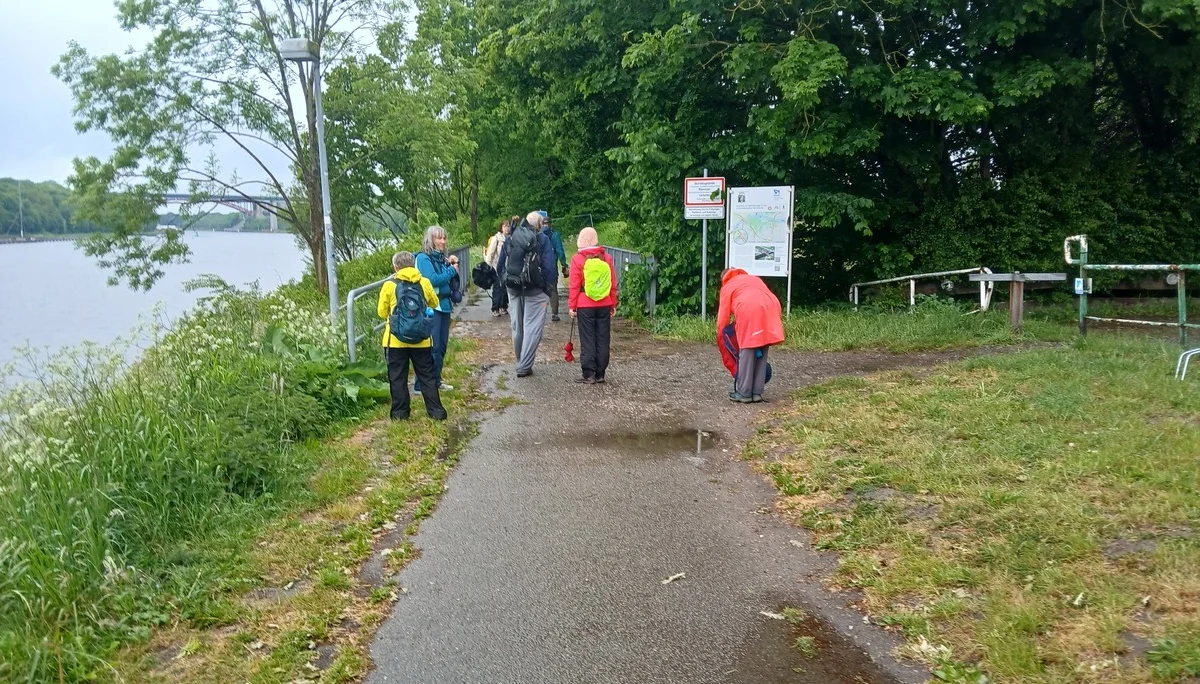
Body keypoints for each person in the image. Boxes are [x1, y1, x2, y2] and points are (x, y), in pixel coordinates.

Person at [377, 251, 446, 421]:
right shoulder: (424, 282)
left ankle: (400, 414)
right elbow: (435, 303)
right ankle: (436, 411)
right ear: (413, 264)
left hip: (395, 341)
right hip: (421, 340)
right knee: (427, 375)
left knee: (397, 376)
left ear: (396, 267)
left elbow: (381, 312)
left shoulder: (389, 285)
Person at [498, 211, 556, 377]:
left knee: (517, 327)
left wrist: (504, 282)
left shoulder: (512, 236)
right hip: (536, 290)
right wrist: (547, 288)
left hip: (513, 287)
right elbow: (549, 267)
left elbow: (501, 262)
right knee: (532, 327)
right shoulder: (542, 239)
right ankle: (524, 366)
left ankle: (520, 360)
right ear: (539, 225)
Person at [716, 268, 785, 402]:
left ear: (724, 279)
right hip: (771, 306)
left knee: (747, 349)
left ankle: (744, 393)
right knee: (762, 345)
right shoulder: (753, 278)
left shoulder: (728, 286)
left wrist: (720, 333)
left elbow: (723, 317)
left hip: (749, 308)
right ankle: (757, 393)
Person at [567, 227, 617, 384]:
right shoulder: (606, 258)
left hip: (584, 304)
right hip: (604, 303)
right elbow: (612, 283)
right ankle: (601, 373)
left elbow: (575, 285)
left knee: (588, 338)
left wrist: (572, 306)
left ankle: (589, 374)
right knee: (603, 337)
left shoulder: (577, 259)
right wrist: (613, 303)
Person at [415, 225, 459, 392]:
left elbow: (447, 279)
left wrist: (451, 266)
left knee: (441, 346)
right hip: (432, 308)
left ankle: (436, 381)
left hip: (444, 305)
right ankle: (423, 385)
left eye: (444, 238)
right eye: (438, 238)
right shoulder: (424, 259)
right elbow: (432, 280)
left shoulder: (441, 258)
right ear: (430, 240)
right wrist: (451, 271)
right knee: (432, 347)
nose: (442, 241)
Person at [538, 211, 569, 322]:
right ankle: (554, 314)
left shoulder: (537, 235)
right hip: (551, 267)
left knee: (539, 291)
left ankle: (539, 314)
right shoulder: (555, 235)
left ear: (542, 224)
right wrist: (564, 264)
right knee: (553, 291)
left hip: (538, 267)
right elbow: (560, 251)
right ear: (550, 224)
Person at [484, 219, 510, 317]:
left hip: (507, 267)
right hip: (496, 267)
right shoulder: (497, 238)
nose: (507, 228)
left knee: (505, 287)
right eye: (505, 226)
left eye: (508, 226)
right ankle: (495, 308)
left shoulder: (510, 238)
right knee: (497, 288)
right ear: (501, 228)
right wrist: (488, 266)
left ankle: (503, 306)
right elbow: (490, 252)